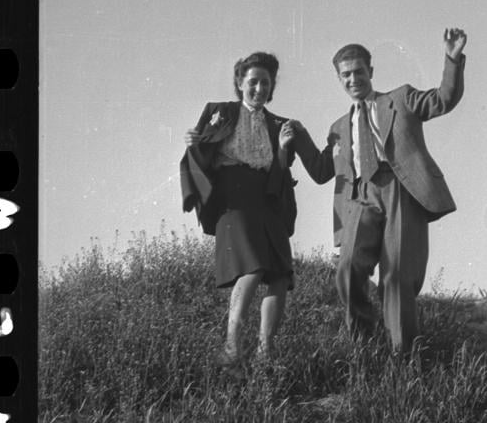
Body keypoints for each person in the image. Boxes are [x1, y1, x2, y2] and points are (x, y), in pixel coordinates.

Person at [288, 28, 468, 355]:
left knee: (397, 275)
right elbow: (321, 171)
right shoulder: (338, 128)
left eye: (359, 71)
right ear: (338, 79)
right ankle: (363, 345)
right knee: (347, 269)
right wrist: (298, 138)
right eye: (346, 74)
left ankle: (403, 356)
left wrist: (452, 60)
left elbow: (443, 99)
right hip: (360, 196)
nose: (353, 79)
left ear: (371, 72)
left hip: (400, 188)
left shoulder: (401, 99)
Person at [179, 52, 333, 372]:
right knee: (252, 268)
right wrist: (193, 143)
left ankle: (266, 354)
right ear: (239, 83)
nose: (259, 88)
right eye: (253, 82)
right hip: (233, 199)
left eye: (266, 82)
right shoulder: (218, 112)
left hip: (269, 201)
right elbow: (197, 152)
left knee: (279, 276)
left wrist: (324, 144)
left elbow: (311, 169)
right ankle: (232, 348)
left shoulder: (282, 125)